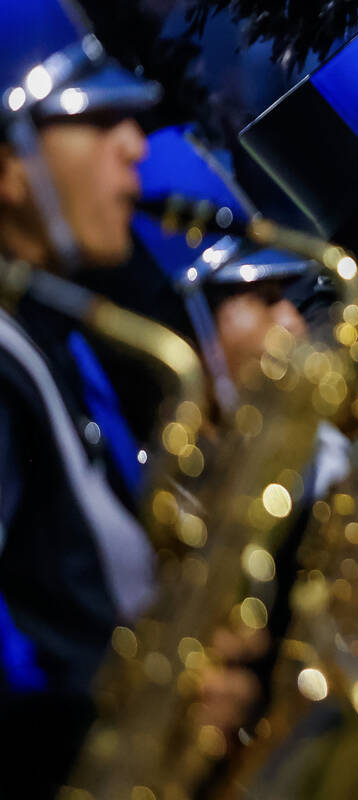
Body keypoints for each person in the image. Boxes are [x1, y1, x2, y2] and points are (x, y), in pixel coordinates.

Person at [0, 2, 257, 794]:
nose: (136, 147)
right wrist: (134, 699)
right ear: (9, 165)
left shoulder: (48, 336)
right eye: (96, 118)